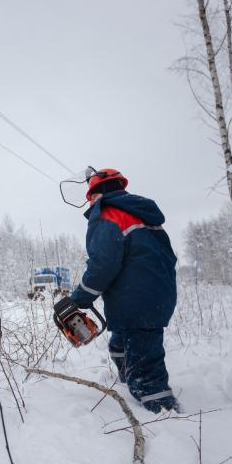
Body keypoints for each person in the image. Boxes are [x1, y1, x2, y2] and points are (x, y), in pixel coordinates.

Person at [64, 168, 179, 413]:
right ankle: (132, 387)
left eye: (91, 195)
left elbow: (103, 264)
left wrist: (80, 298)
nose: (91, 201)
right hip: (155, 294)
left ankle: (163, 412)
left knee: (146, 367)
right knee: (120, 346)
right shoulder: (143, 215)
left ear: (98, 194)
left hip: (136, 299)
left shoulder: (108, 215)